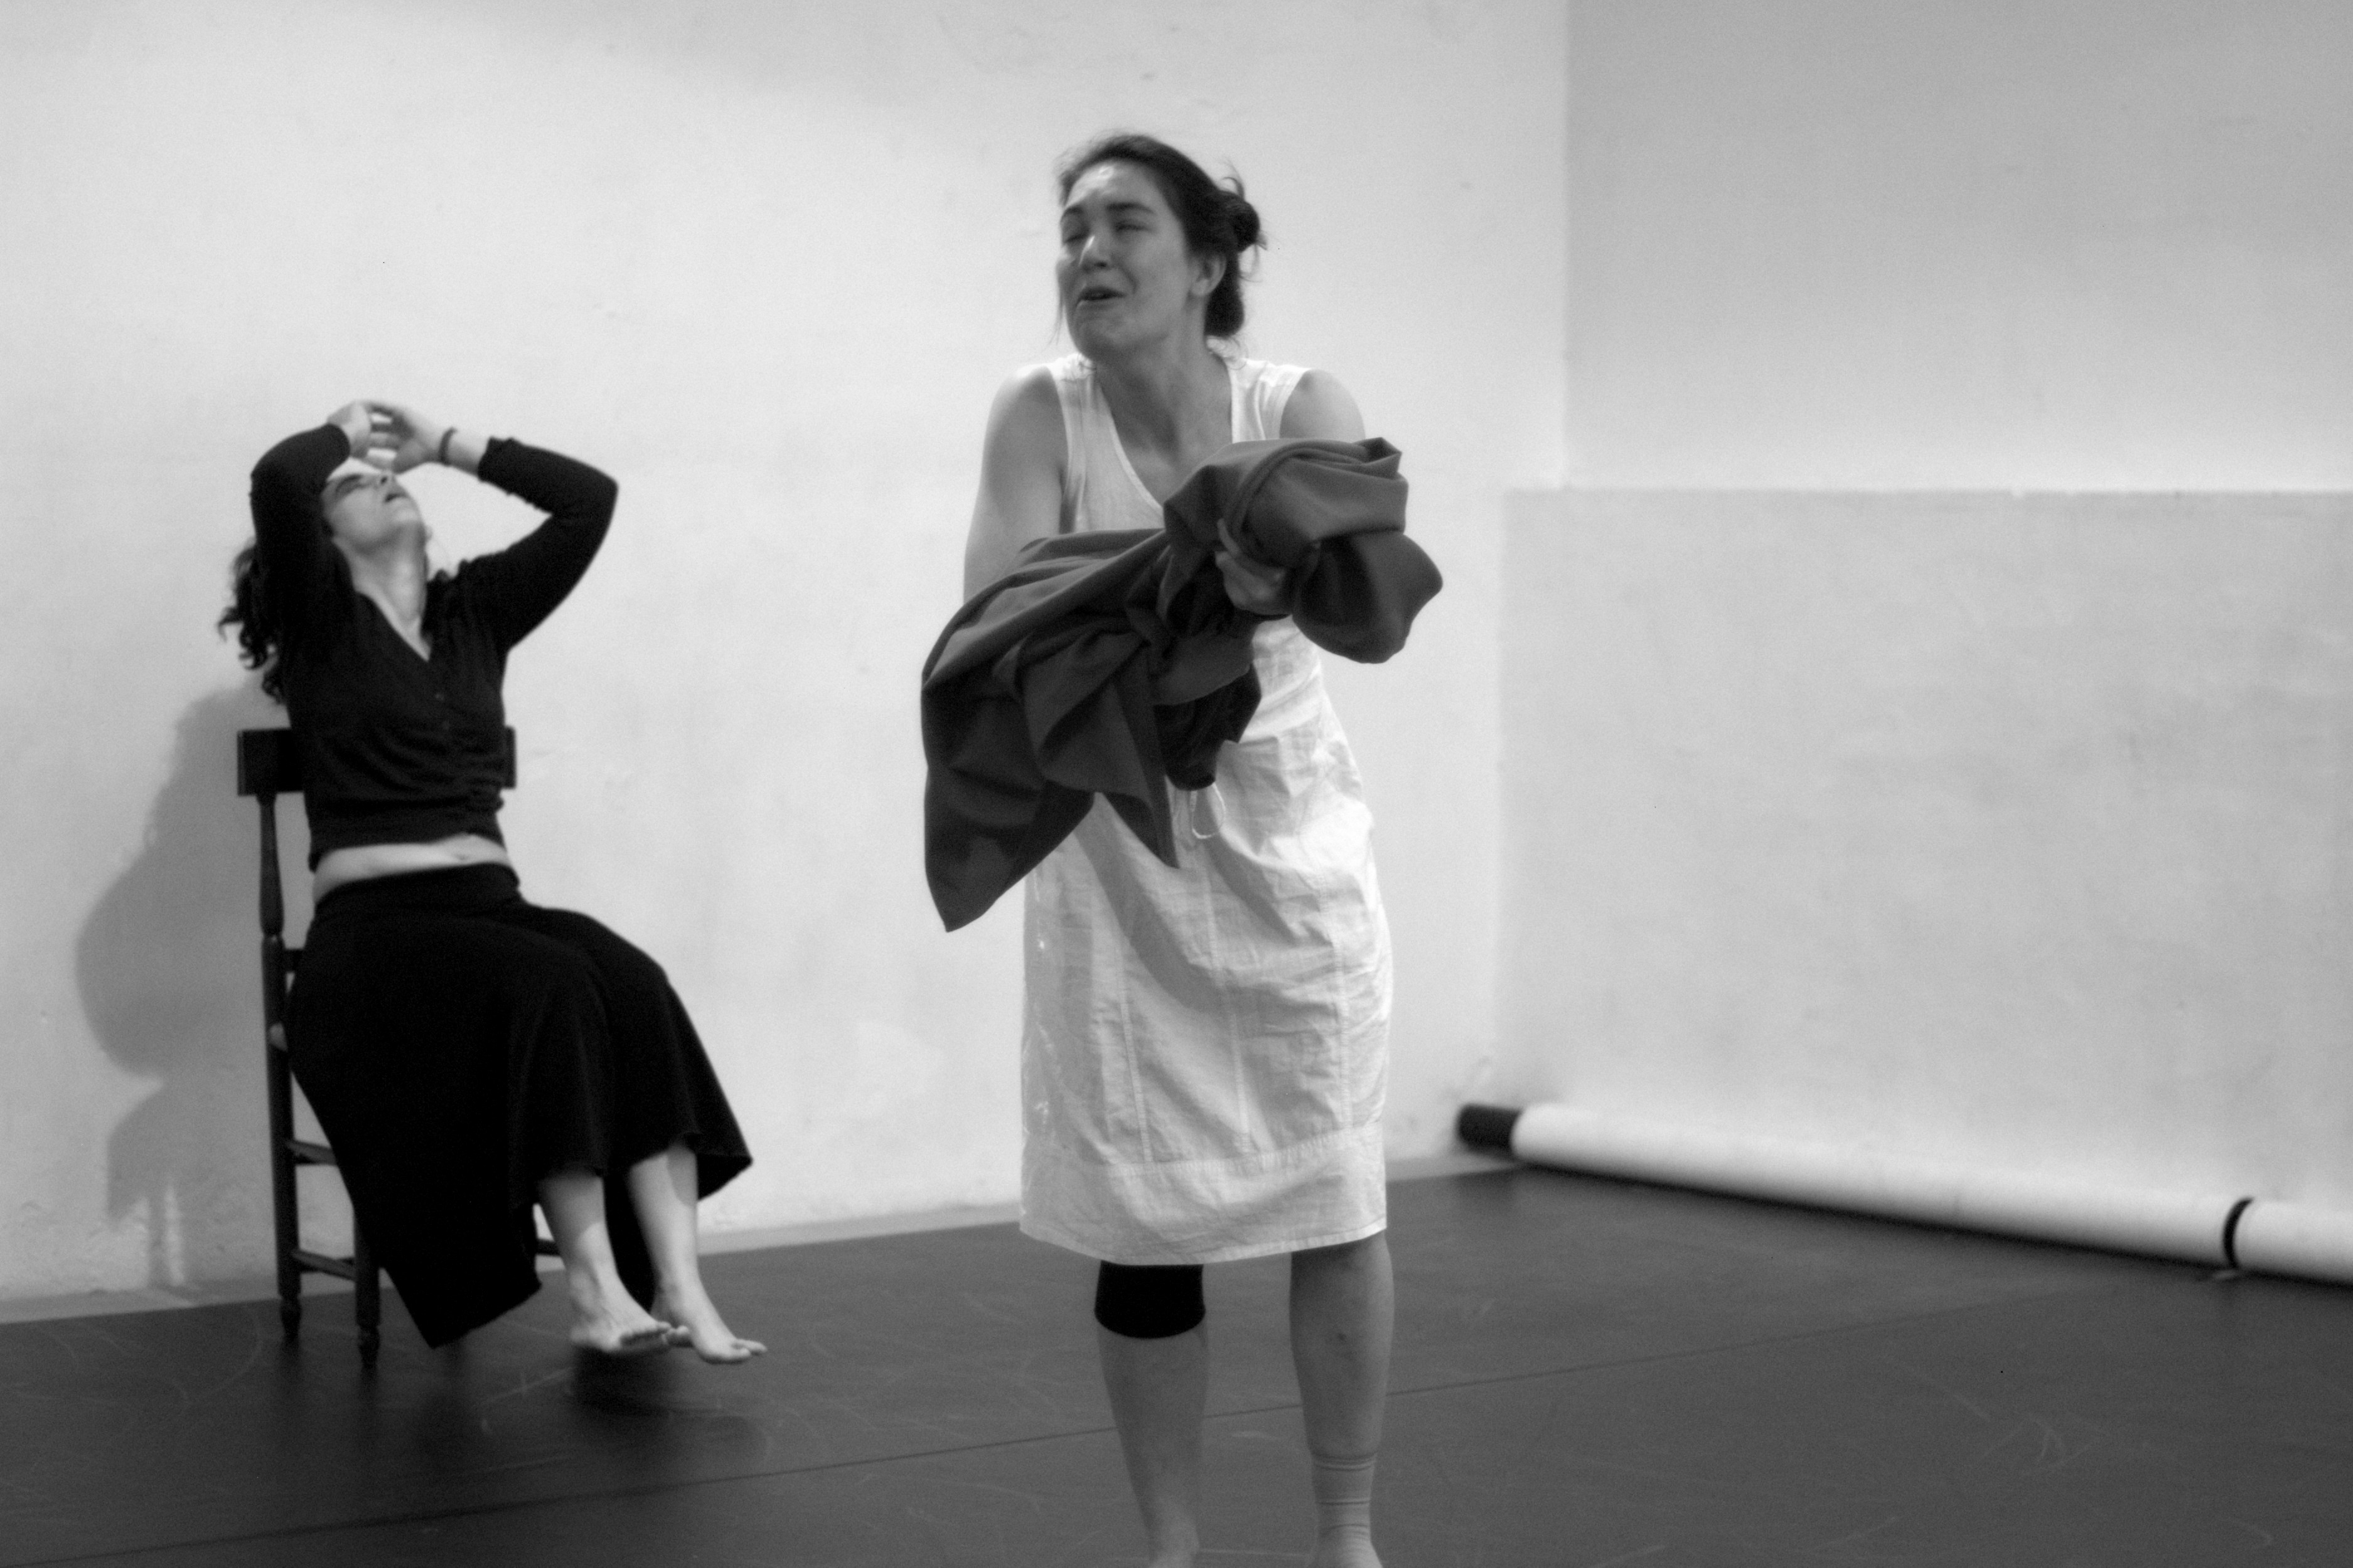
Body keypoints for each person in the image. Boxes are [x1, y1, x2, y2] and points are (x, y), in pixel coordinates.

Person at [962, 134, 1394, 1568]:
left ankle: (1346, 1535)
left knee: (1336, 1192)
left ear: (1209, 260)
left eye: (1125, 222)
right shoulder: (1042, 412)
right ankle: (1173, 1547)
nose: (1088, 250)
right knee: (1143, 1223)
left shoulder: (1297, 404)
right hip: (1118, 854)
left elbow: (1368, 603)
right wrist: (1182, 591)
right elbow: (996, 629)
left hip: (1287, 847)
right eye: (1071, 226)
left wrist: (1251, 590)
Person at [223, 400, 762, 1362]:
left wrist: (448, 447)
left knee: (632, 983)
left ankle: (678, 1285)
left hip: (490, 909)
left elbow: (588, 502)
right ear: (320, 537)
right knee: (548, 985)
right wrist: (343, 434)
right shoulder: (320, 619)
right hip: (376, 936)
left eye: (385, 475)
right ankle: (594, 1290)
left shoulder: (476, 612)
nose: (380, 481)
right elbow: (276, 478)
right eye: (353, 487)